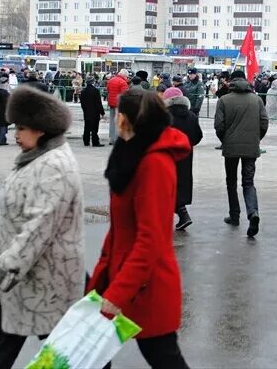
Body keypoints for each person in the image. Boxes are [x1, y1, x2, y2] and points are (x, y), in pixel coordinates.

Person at [0, 85, 85, 368]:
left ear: (40, 129)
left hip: (45, 279)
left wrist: (7, 264)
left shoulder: (54, 165)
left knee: (65, 351)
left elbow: (40, 226)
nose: (16, 135)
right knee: (6, 348)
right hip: (27, 278)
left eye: (21, 128)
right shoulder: (36, 158)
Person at [87, 89, 191, 369]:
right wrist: (103, 276)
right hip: (123, 276)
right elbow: (122, 228)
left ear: (126, 119)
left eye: (119, 113)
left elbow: (151, 239)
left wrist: (118, 292)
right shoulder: (129, 151)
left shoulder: (154, 162)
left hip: (147, 285)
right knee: (92, 354)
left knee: (163, 356)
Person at [214, 70, 268, 237]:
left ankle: (234, 215)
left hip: (230, 147)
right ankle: (253, 212)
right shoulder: (257, 99)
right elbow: (264, 122)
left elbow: (219, 125)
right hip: (251, 147)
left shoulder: (224, 100)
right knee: (248, 182)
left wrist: (225, 140)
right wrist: (256, 139)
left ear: (231, 81)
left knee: (231, 181)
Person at [163, 87, 203, 231]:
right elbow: (198, 135)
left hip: (167, 155)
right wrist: (188, 144)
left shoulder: (164, 116)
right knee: (181, 183)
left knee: (166, 186)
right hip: (186, 155)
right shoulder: (191, 116)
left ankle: (182, 215)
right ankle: (182, 215)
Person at [80, 77, 105, 147]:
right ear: (93, 82)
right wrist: (102, 112)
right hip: (95, 113)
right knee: (94, 128)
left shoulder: (83, 91)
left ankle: (86, 141)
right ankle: (95, 142)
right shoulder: (95, 91)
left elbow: (82, 103)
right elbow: (98, 103)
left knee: (86, 127)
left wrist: (84, 110)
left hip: (86, 112)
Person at [106, 70, 130, 145]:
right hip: (119, 105)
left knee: (112, 121)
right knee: (119, 122)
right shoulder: (123, 82)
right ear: (124, 75)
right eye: (127, 76)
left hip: (111, 103)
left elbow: (108, 90)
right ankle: (117, 139)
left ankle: (111, 138)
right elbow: (125, 95)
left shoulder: (111, 80)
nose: (127, 78)